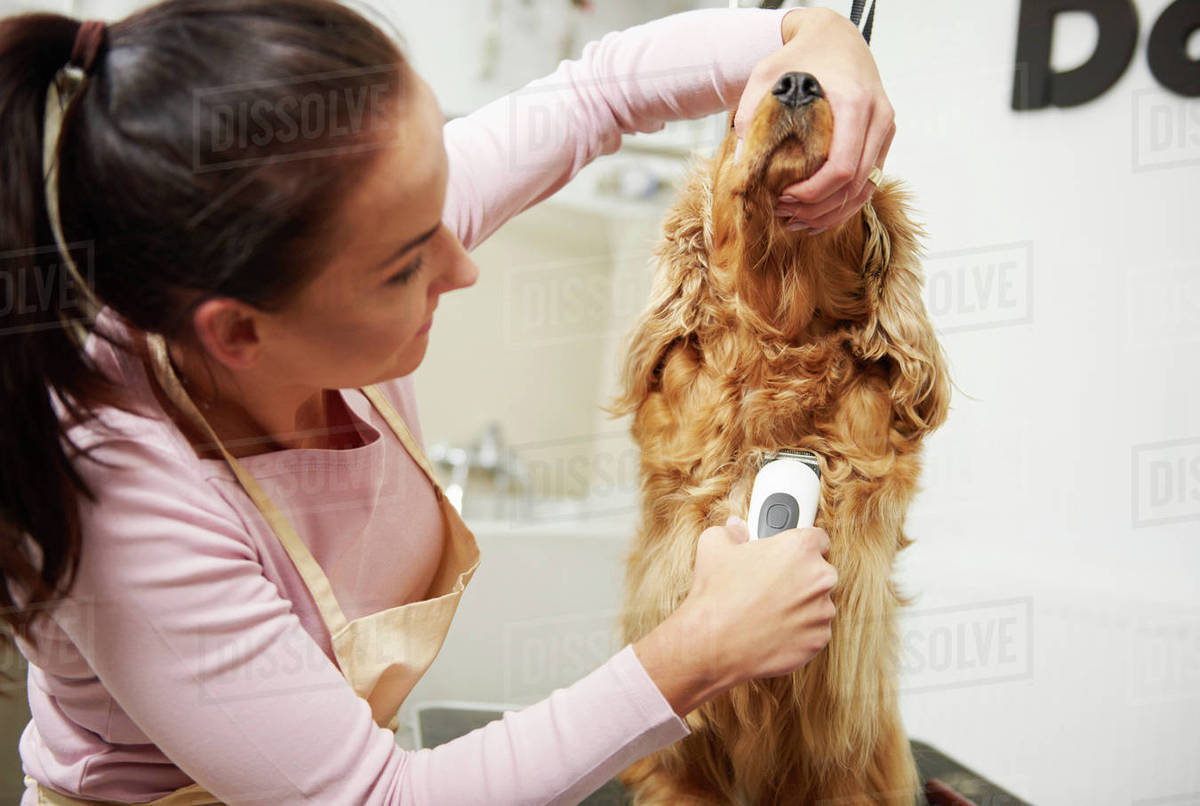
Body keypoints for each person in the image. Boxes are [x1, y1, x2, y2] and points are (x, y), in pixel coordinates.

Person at [0, 0, 893, 803]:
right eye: (405, 267)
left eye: (441, 209)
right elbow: (378, 800)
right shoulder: (125, 504)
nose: (461, 263)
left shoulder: (352, 219)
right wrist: (695, 655)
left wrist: (812, 36)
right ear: (237, 333)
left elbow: (600, 94)